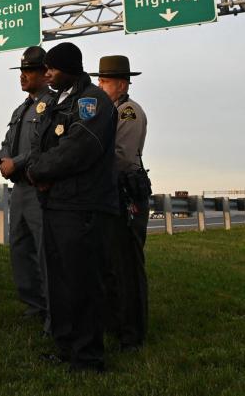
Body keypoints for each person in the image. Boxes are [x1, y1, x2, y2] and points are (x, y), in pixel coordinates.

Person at [26, 42, 118, 373]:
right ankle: (66, 347)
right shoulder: (54, 101)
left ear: (69, 68)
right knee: (60, 282)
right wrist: (37, 170)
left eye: (52, 67)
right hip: (54, 202)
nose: (46, 72)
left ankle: (89, 357)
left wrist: (39, 171)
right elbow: (37, 145)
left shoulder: (92, 100)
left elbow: (79, 148)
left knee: (82, 282)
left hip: (81, 205)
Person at [91, 55, 151, 350]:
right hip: (112, 196)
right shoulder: (110, 111)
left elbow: (121, 157)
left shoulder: (128, 112)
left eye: (105, 81)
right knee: (112, 265)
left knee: (127, 265)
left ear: (123, 83)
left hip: (126, 194)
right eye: (99, 80)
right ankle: (117, 323)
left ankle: (133, 332)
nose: (100, 86)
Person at [0, 46, 53, 327]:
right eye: (21, 71)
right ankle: (34, 304)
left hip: (38, 188)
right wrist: (3, 159)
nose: (23, 76)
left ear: (46, 73)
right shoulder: (21, 108)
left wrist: (16, 163)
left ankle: (51, 309)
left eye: (29, 71)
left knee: (44, 250)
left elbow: (43, 145)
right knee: (20, 249)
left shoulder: (52, 104)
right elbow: (6, 141)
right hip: (18, 189)